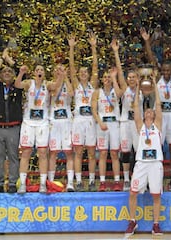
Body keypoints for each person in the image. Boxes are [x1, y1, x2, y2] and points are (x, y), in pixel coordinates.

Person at [141, 27, 171, 191]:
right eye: (164, 70)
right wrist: (146, 41)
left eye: (168, 70)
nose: (166, 72)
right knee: (154, 147)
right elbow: (152, 60)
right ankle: (152, 178)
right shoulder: (157, 78)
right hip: (158, 116)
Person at [125, 70, 163, 237]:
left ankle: (156, 225)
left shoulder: (158, 126)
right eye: (146, 111)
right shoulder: (140, 127)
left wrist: (154, 84)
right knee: (133, 193)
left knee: (156, 195)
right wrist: (139, 85)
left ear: (154, 115)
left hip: (155, 164)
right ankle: (132, 221)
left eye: (150, 112)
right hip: (141, 163)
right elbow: (135, 107)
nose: (148, 112)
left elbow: (159, 105)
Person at [15, 64, 55, 193]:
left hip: (42, 123)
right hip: (28, 122)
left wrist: (61, 76)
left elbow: (56, 86)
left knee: (43, 153)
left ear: (44, 73)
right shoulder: (29, 83)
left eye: (41, 70)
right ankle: (22, 184)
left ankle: (43, 183)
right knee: (26, 152)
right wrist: (21, 72)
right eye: (37, 70)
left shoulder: (47, 85)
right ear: (34, 73)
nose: (39, 71)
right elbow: (17, 85)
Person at [91, 39, 124, 192]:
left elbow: (119, 95)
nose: (107, 79)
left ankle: (117, 180)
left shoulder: (114, 89)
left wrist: (115, 78)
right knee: (103, 153)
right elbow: (93, 110)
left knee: (114, 153)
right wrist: (99, 122)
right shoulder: (97, 92)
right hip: (102, 124)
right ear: (101, 79)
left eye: (108, 77)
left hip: (114, 123)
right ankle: (103, 181)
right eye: (105, 77)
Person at [0, 48, 23, 193]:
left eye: (10, 72)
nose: (7, 73)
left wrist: (9, 60)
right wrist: (2, 59)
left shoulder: (18, 87)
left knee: (13, 157)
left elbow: (23, 72)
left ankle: (12, 183)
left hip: (14, 128)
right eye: (4, 72)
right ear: (1, 76)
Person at [69, 32, 98, 192]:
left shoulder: (93, 83)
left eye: (85, 72)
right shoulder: (76, 84)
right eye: (81, 72)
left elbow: (95, 66)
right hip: (79, 120)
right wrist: (72, 48)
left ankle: (92, 181)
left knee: (92, 153)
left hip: (91, 120)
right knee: (78, 152)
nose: (83, 74)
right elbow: (71, 68)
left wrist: (93, 47)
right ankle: (79, 181)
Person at [114, 39, 143, 191]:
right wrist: (115, 52)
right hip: (125, 122)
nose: (131, 79)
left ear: (138, 78)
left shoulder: (144, 90)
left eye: (134, 77)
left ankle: (138, 178)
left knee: (139, 152)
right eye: (129, 77)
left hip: (138, 124)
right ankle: (126, 179)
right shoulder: (124, 88)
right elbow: (119, 71)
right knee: (125, 151)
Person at [47, 64, 74, 191]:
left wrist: (66, 78)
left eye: (62, 69)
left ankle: (70, 183)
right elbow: (53, 92)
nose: (60, 71)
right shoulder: (50, 84)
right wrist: (60, 79)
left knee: (69, 152)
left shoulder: (67, 84)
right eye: (57, 70)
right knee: (53, 152)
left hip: (66, 121)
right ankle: (51, 181)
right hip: (54, 121)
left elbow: (71, 93)